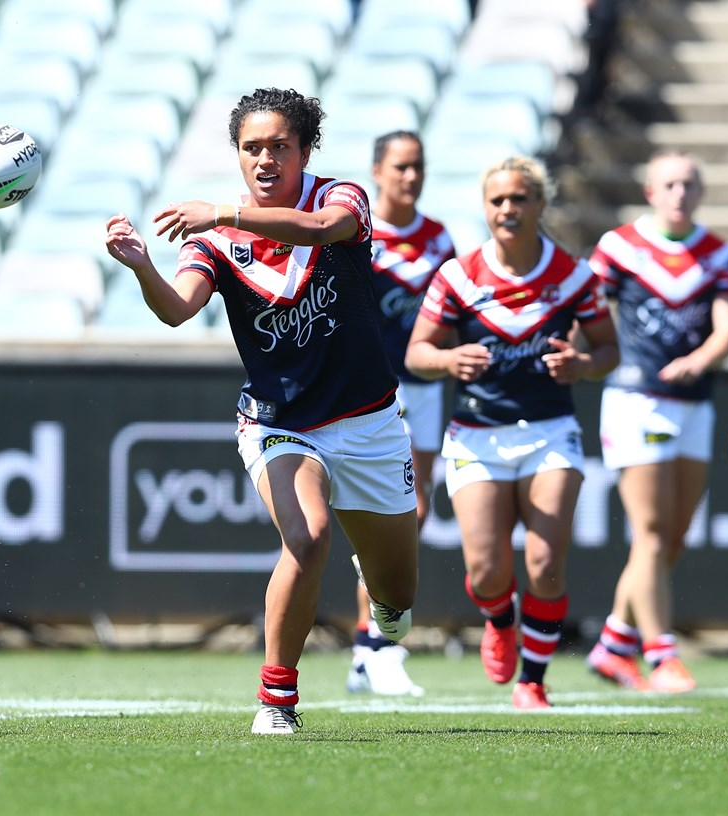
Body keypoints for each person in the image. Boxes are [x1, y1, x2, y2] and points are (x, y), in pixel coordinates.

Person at [105, 87, 419, 735]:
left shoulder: (342, 198)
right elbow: (177, 308)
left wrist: (226, 213)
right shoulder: (217, 242)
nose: (266, 158)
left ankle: (383, 589)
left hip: (368, 420)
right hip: (279, 421)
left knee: (396, 598)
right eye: (253, 148)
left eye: (280, 146)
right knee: (306, 537)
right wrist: (142, 268)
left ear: (306, 150)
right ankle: (277, 700)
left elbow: (322, 230)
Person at [404, 156, 620, 709]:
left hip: (551, 431)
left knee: (545, 564)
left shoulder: (573, 275)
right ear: (485, 208)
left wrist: (582, 363)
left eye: (519, 199)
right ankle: (499, 618)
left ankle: (533, 680)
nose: (508, 209)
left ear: (540, 205)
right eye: (497, 200)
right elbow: (418, 354)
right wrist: (450, 360)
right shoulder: (457, 275)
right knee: (487, 568)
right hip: (477, 433)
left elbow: (608, 352)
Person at [585, 150, 728, 693]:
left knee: (672, 538)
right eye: (670, 183)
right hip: (637, 398)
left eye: (690, 184)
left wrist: (703, 358)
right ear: (651, 191)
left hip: (695, 401)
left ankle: (613, 641)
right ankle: (662, 654)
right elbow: (587, 310)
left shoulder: (719, 253)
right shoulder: (619, 246)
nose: (681, 192)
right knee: (650, 535)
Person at [346, 130, 455, 699]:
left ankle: (369, 649)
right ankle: (381, 648)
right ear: (378, 170)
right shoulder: (357, 231)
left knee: (414, 515)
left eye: (419, 166)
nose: (411, 177)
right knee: (389, 516)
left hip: (426, 387)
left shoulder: (438, 238)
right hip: (373, 389)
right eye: (401, 167)